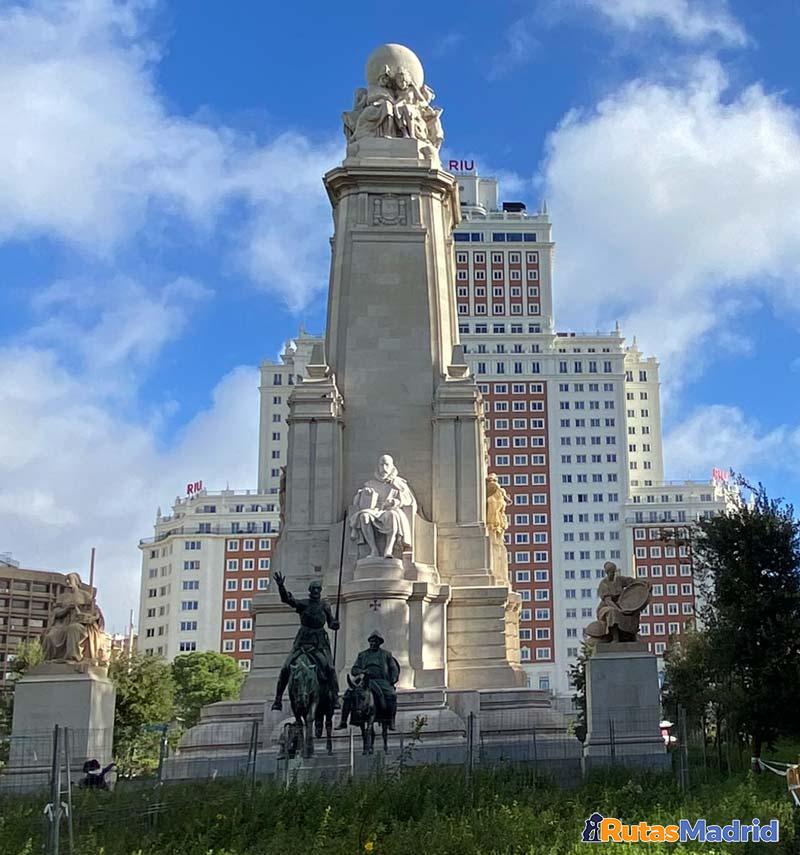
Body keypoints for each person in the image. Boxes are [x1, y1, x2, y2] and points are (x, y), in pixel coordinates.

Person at [270, 572, 340, 711]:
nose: (315, 591)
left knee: (330, 669)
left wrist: (335, 624)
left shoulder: (325, 606)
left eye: (317, 589)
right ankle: (278, 699)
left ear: (320, 591)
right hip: (302, 643)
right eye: (313, 589)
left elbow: (331, 622)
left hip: (319, 643)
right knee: (285, 668)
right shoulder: (303, 604)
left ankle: (335, 697)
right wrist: (281, 586)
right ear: (309, 591)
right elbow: (287, 600)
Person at [350, 454, 416, 559]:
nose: (384, 468)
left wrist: (395, 502)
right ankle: (374, 550)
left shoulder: (398, 483)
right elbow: (358, 503)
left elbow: (409, 500)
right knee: (364, 516)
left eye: (387, 464)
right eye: (381, 465)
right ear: (378, 467)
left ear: (392, 467)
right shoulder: (370, 484)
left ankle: (388, 550)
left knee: (393, 516)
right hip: (375, 511)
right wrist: (364, 494)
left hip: (390, 510)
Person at [337, 631, 400, 730]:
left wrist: (393, 680)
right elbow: (354, 669)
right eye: (371, 641)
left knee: (391, 695)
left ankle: (391, 720)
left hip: (381, 681)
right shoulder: (362, 655)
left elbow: (393, 668)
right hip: (364, 680)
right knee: (348, 694)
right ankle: (343, 721)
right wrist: (362, 671)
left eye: (375, 641)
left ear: (379, 643)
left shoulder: (386, 654)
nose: (373, 643)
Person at [42, 572, 104, 663]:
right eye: (66, 580)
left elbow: (94, 612)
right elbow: (55, 613)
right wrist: (66, 609)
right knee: (49, 637)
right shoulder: (62, 597)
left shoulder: (85, 595)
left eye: (70, 579)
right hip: (63, 624)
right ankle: (47, 661)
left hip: (80, 624)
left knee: (73, 629)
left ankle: (73, 657)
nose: (68, 582)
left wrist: (89, 617)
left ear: (77, 581)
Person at [596, 561, 640, 642]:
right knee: (613, 612)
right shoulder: (604, 584)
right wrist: (619, 609)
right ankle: (615, 637)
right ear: (606, 572)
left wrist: (644, 582)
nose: (612, 574)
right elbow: (608, 601)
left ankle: (632, 634)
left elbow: (631, 581)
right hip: (606, 606)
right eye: (610, 572)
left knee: (634, 610)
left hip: (621, 604)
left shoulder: (619, 579)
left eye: (613, 572)